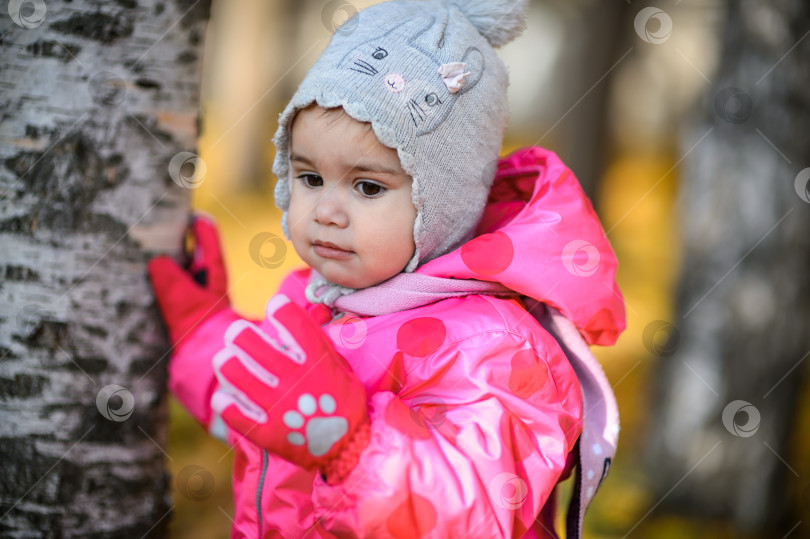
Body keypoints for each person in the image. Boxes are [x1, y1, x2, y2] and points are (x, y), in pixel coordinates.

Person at [148, 0, 626, 537]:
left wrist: (354, 448)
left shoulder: (491, 347)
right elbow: (264, 405)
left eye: (368, 186)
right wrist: (206, 333)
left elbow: (473, 510)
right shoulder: (321, 298)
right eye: (309, 177)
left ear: (443, 204)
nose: (326, 211)